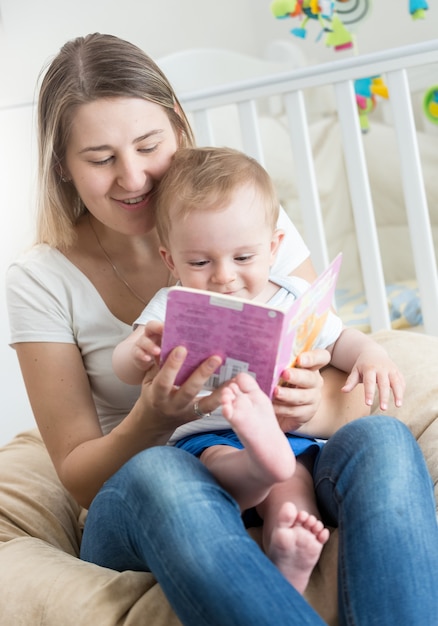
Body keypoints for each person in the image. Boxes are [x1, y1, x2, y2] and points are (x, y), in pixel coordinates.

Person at [5, 33, 437, 625]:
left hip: (287, 456)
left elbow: (331, 364)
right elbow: (79, 479)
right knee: (162, 471)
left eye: (149, 145)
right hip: (156, 487)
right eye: (101, 159)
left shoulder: (245, 220)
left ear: (180, 127)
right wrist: (153, 417)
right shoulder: (40, 280)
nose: (133, 178)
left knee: (385, 441)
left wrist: (302, 409)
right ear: (63, 167)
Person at [112, 146, 405, 593]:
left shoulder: (292, 297)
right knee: (216, 460)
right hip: (206, 436)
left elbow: (340, 338)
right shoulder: (174, 305)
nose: (224, 276)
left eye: (243, 258)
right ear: (171, 260)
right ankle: (258, 465)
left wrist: (371, 356)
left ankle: (287, 552)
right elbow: (125, 364)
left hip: (285, 437)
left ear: (274, 247)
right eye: (200, 262)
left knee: (293, 490)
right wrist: (137, 352)